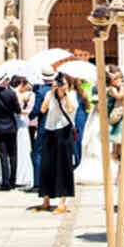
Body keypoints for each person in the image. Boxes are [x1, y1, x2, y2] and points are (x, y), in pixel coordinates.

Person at [36, 68, 77, 213]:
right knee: (46, 166)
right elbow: (42, 109)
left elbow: (71, 110)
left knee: (64, 166)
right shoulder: (49, 94)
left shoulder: (71, 95)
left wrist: (64, 95)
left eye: (63, 83)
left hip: (64, 131)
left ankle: (62, 201)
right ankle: (46, 199)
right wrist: (52, 93)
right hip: (50, 130)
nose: (60, 85)